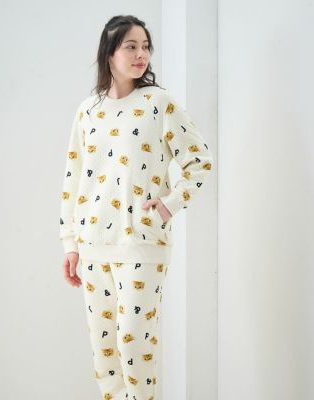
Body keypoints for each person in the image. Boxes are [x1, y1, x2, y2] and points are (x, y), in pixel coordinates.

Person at [59, 14, 214, 400]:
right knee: (104, 356)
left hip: (142, 244)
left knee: (134, 346)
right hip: (93, 245)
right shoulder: (88, 111)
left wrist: (169, 205)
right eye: (131, 46)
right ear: (109, 53)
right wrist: (70, 242)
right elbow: (73, 178)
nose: (141, 54)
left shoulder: (159, 103)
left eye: (145, 46)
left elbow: (199, 160)